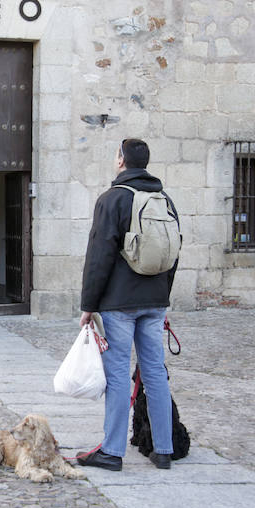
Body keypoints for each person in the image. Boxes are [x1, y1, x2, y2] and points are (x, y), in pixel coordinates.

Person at [77, 138, 179, 471]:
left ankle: (112, 450)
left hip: (118, 304)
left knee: (118, 375)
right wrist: (162, 294)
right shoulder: (165, 200)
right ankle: (163, 450)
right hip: (155, 302)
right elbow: (174, 251)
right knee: (155, 375)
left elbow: (99, 257)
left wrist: (88, 305)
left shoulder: (113, 199)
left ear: (121, 161)